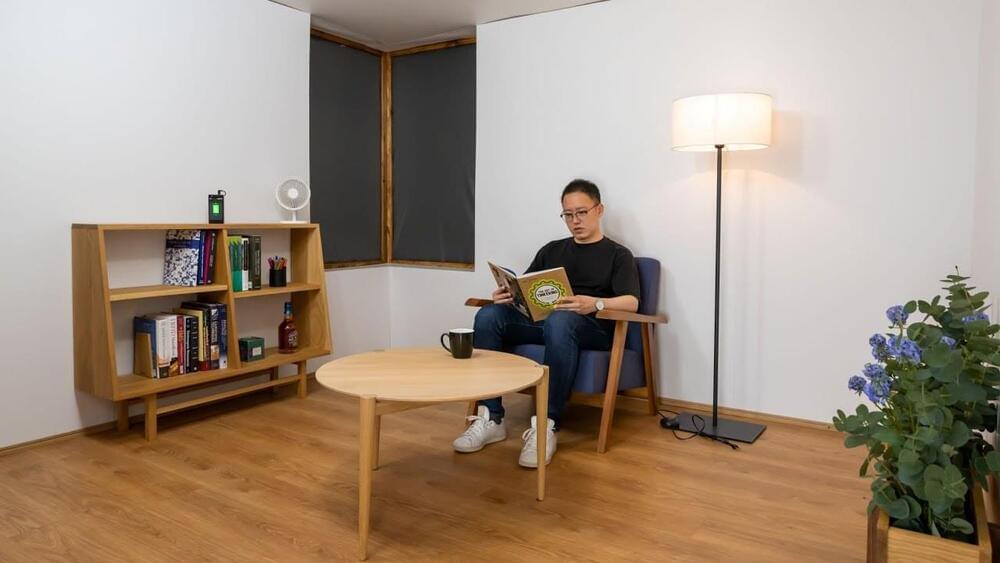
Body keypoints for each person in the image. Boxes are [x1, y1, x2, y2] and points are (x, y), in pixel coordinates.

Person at [453, 179, 640, 467]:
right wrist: (507, 296)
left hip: (592, 328)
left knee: (561, 319)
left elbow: (632, 302)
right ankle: (491, 418)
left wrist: (595, 303)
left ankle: (546, 425)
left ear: (599, 210)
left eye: (582, 212)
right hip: (546, 322)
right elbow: (526, 289)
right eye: (568, 214)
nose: (575, 221)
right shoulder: (552, 250)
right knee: (488, 315)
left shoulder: (618, 254)